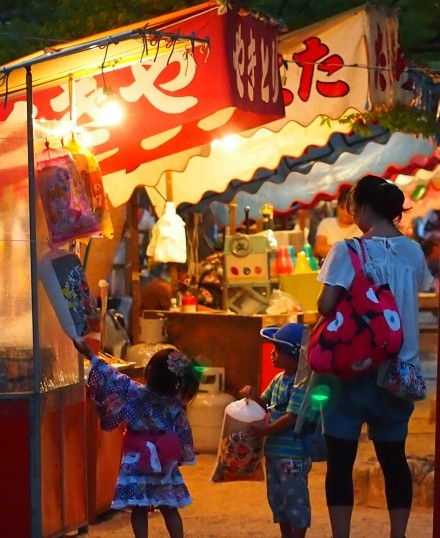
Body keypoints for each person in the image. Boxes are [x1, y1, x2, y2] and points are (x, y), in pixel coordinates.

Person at [316, 175, 434, 538]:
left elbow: (326, 304)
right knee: (394, 460)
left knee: (340, 462)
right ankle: (397, 534)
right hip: (401, 372)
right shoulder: (414, 251)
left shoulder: (346, 250)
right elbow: (423, 288)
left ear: (364, 207)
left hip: (351, 371)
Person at [73, 338, 200, 538]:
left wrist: (89, 353)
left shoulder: (133, 392)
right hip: (164, 461)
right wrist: (182, 456)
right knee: (168, 506)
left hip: (136, 459)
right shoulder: (175, 406)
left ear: (150, 372)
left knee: (138, 508)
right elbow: (184, 433)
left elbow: (110, 375)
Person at [239, 322, 311, 538]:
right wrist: (253, 395)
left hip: (293, 454)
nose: (272, 354)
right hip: (275, 454)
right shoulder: (278, 380)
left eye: (278, 350)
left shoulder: (301, 383)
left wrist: (265, 431)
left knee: (295, 501)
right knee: (278, 500)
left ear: (293, 355)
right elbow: (265, 404)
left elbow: (292, 417)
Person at [313, 187, 361, 260]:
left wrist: (332, 249)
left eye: (350, 209)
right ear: (337, 207)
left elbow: (365, 252)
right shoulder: (326, 223)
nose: (346, 212)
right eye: (342, 207)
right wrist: (351, 251)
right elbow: (319, 249)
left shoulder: (361, 226)